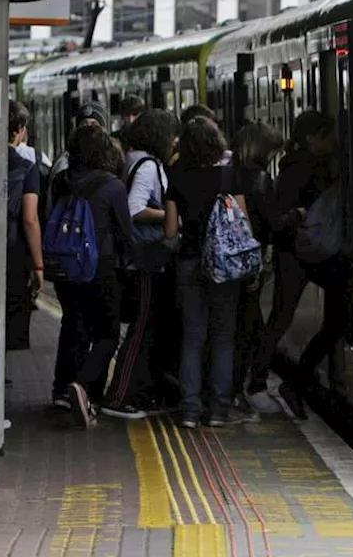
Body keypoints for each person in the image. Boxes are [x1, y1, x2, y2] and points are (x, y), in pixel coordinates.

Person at [165, 117, 249, 428]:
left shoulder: (176, 176)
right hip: (225, 266)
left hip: (189, 262)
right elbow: (243, 224)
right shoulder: (229, 176)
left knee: (193, 338)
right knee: (224, 338)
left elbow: (171, 230)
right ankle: (218, 411)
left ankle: (189, 410)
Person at [53, 124, 134, 429]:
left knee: (75, 327)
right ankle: (85, 387)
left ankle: (70, 394)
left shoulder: (62, 181)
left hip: (65, 268)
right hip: (101, 268)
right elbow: (125, 233)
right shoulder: (113, 186)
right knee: (108, 333)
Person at [264, 110, 343, 418]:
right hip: (299, 253)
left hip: (303, 252)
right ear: (312, 138)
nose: (335, 140)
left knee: (286, 318)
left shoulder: (303, 164)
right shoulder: (301, 168)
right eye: (329, 135)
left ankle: (286, 382)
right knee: (282, 319)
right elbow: (285, 213)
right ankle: (260, 380)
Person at [103, 109, 175, 419]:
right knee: (141, 327)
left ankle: (139, 391)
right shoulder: (147, 166)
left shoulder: (133, 159)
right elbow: (134, 209)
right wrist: (170, 216)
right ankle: (119, 396)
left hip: (138, 256)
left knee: (144, 327)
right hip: (144, 257)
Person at [230, 122, 295, 413]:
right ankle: (244, 389)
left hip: (231, 260)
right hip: (252, 262)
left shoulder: (231, 174)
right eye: (272, 152)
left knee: (245, 327)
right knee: (248, 329)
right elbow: (275, 223)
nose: (273, 157)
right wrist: (299, 213)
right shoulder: (259, 179)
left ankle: (243, 388)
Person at [7, 102, 44, 352]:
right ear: (19, 130)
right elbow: (30, 219)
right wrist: (38, 264)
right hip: (14, 251)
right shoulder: (26, 168)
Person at [51, 103, 108, 181]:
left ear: (104, 130)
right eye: (84, 125)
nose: (89, 130)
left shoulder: (113, 159)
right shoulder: (65, 162)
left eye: (94, 125)